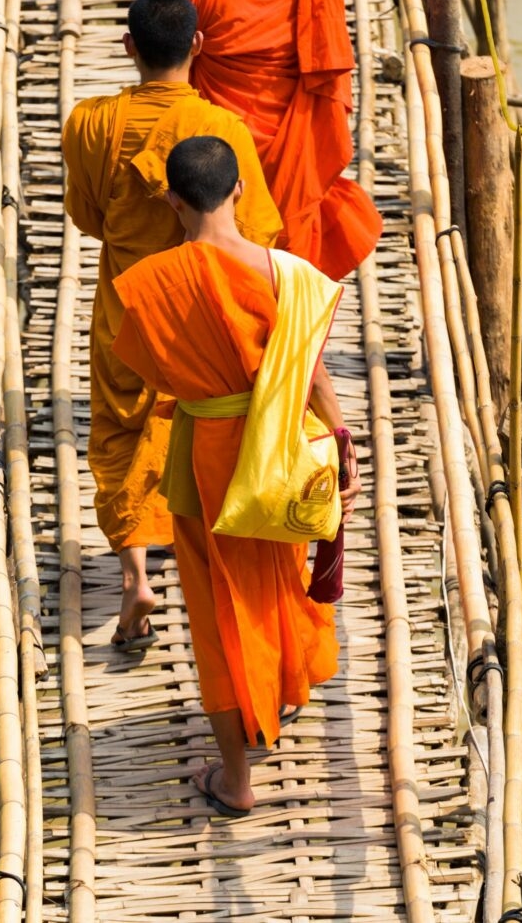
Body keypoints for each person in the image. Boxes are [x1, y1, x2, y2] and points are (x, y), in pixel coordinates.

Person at [112, 136, 360, 816]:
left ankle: (236, 777)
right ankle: (278, 694)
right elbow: (312, 374)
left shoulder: (148, 284)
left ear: (170, 200)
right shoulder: (290, 275)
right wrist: (340, 442)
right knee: (275, 574)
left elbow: (153, 375)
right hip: (283, 449)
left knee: (218, 606)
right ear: (241, 191)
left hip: (210, 459)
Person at [62, 0, 282, 652]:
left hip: (127, 302)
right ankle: (203, 564)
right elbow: (259, 233)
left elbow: (85, 216)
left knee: (120, 434)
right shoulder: (226, 131)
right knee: (196, 432)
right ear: (198, 46)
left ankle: (135, 572)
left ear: (128, 47)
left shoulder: (90, 123)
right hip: (203, 310)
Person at [159, 0, 382, 282]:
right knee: (291, 266)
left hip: (217, 149)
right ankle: (292, 344)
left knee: (219, 267)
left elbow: (168, 59)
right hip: (297, 136)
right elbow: (331, 57)